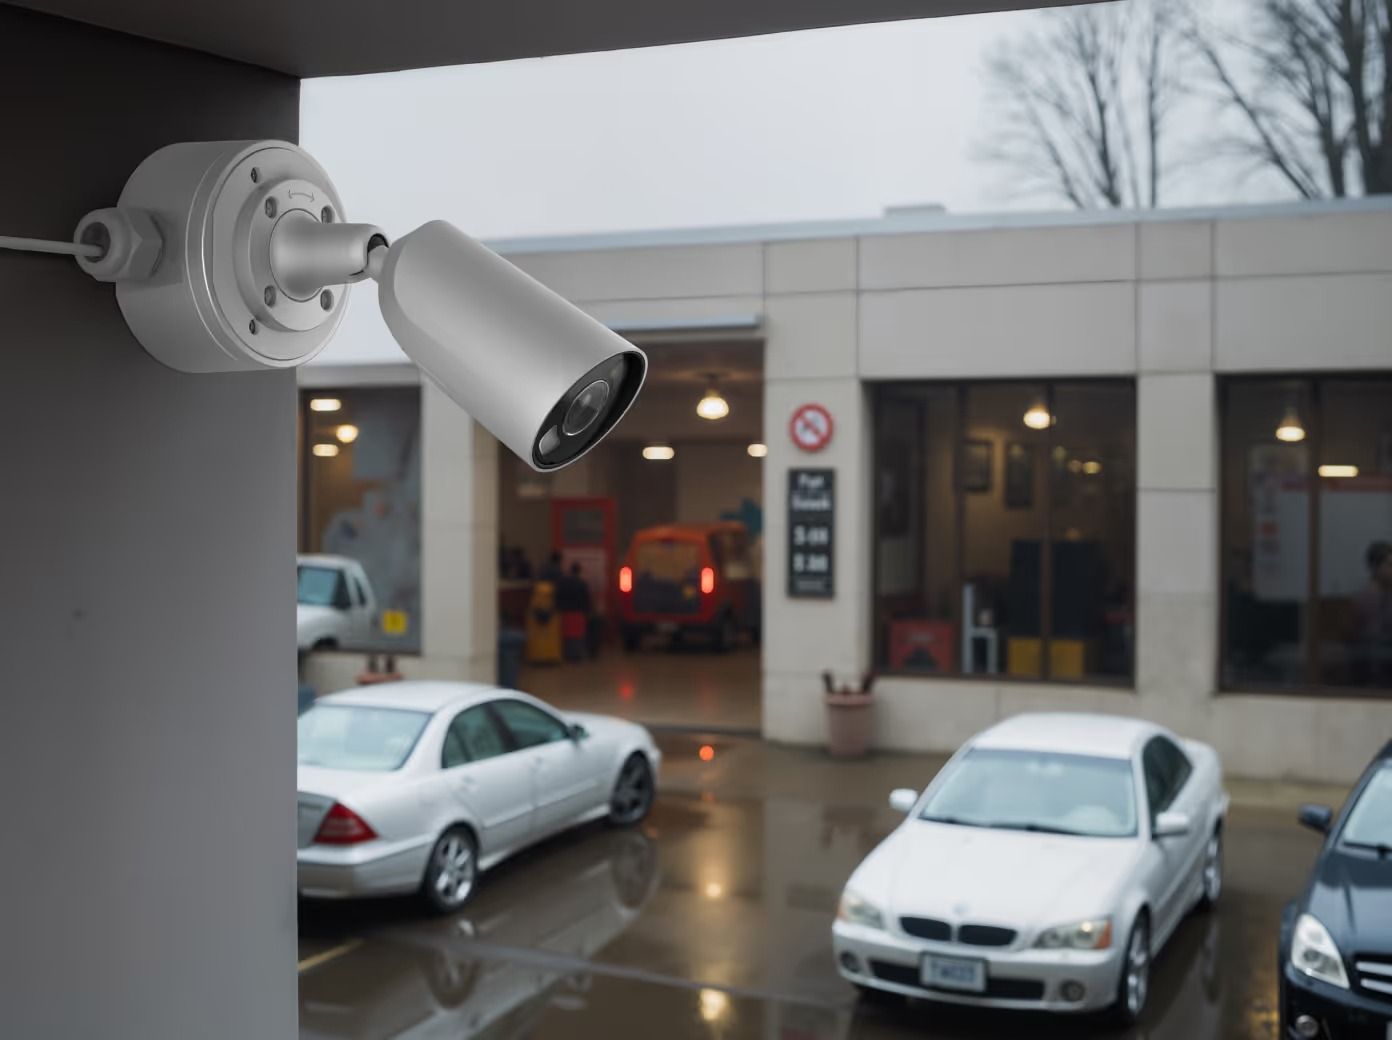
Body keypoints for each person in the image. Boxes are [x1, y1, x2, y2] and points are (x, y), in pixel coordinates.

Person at [1350, 541, 1392, 685]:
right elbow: (1357, 635)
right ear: (1376, 567)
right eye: (1389, 565)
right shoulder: (1364, 598)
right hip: (1372, 666)